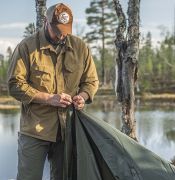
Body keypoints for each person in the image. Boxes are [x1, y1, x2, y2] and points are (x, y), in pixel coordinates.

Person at [7, 3, 99, 180]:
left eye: (65, 30)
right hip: (35, 131)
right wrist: (49, 98)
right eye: (57, 29)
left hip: (68, 131)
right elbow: (14, 85)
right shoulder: (26, 47)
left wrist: (82, 96)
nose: (61, 34)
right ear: (45, 22)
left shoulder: (80, 48)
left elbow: (91, 81)